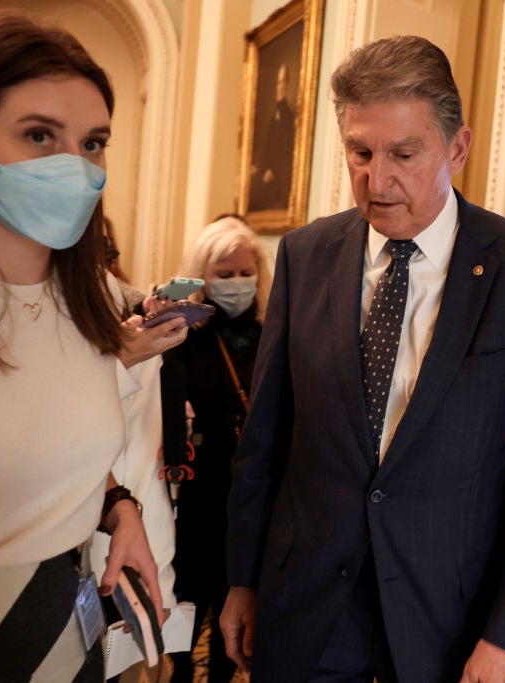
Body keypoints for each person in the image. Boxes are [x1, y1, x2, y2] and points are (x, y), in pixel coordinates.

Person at [220, 35, 505, 683]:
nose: (377, 179)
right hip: (305, 603)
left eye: (403, 153)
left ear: (457, 147)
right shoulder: (305, 255)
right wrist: (242, 579)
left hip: (445, 618)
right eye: (359, 152)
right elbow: (266, 439)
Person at [0, 10, 186, 681]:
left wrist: (118, 505)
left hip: (68, 634)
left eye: (93, 143)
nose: (74, 166)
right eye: (39, 135)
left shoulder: (84, 303)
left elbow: (53, 441)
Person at [162, 214, 272, 682]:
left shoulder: (271, 334)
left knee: (236, 604)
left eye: (244, 273)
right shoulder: (186, 335)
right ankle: (182, 670)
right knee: (188, 597)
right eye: (224, 276)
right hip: (197, 489)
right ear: (204, 279)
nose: (236, 283)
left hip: (251, 495)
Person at [248, 63, 296, 211]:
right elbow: (268, 143)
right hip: (264, 169)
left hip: (273, 174)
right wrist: (258, 165)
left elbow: (284, 148)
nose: (280, 86)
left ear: (287, 85)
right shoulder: (275, 110)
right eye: (278, 82)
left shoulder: (287, 115)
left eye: (283, 82)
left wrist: (272, 170)